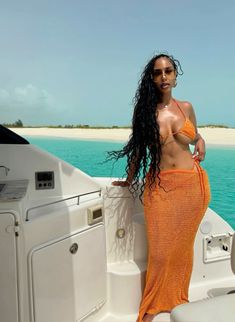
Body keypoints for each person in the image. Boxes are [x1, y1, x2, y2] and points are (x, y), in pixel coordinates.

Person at [110, 53, 211, 322]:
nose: (163, 76)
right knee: (161, 253)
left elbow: (194, 135)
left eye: (168, 71)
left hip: (192, 187)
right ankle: (153, 306)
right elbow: (136, 152)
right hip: (160, 189)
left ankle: (178, 298)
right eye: (157, 72)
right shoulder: (144, 113)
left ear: (176, 75)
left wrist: (201, 140)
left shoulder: (186, 107)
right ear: (151, 79)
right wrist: (129, 180)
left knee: (182, 251)